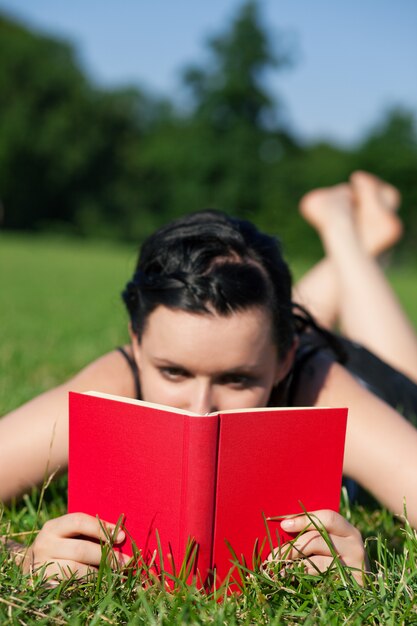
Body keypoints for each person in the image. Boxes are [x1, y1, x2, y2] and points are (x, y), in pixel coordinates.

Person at [1, 171, 416, 583]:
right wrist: (25, 558)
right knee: (265, 323)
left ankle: (342, 226)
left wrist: (364, 564)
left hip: (373, 378)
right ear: (138, 344)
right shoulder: (117, 379)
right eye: (173, 372)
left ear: (283, 361)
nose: (201, 409)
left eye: (237, 380)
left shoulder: (318, 381)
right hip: (268, 339)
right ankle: (357, 231)